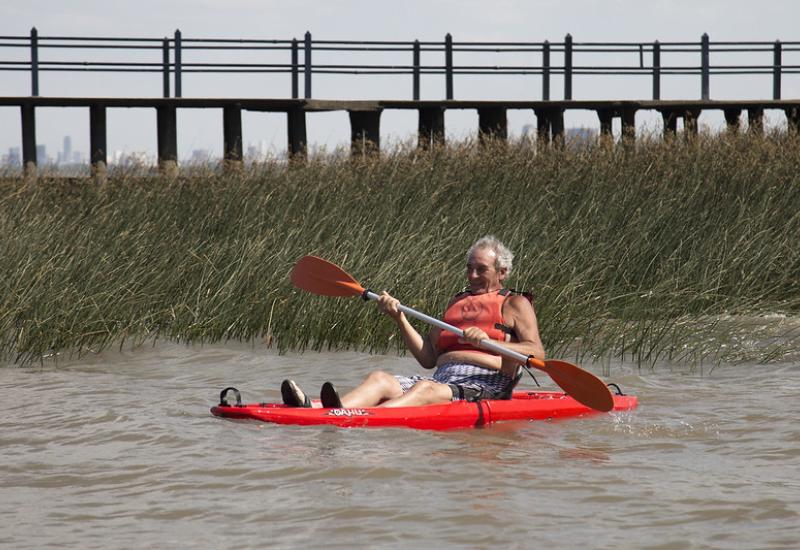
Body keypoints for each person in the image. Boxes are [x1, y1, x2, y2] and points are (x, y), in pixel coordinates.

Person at [281, 235, 545, 408]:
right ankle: (316, 408)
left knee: (424, 388)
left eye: (481, 270)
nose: (472, 275)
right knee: (380, 378)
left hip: (486, 385)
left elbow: (536, 351)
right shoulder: (457, 302)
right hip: (443, 379)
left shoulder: (514, 304)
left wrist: (486, 342)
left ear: (503, 272)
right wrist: (400, 318)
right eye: (469, 268)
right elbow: (428, 358)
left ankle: (366, 417)